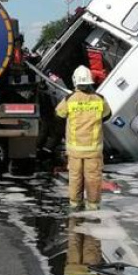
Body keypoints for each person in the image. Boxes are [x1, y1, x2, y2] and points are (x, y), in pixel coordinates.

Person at [55, 66, 111, 211]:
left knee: (75, 177)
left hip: (75, 149)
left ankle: (75, 203)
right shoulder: (100, 99)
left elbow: (59, 115)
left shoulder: (69, 99)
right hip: (93, 149)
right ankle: (92, 205)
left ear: (75, 81)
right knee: (93, 178)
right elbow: (107, 115)